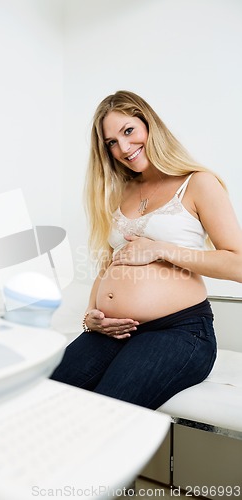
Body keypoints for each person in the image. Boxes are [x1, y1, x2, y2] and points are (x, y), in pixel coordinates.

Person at [50, 90, 242, 410]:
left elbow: (237, 265)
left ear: (149, 125)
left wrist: (160, 249)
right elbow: (109, 262)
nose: (123, 148)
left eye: (128, 131)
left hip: (178, 332)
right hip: (112, 332)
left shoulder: (197, 183)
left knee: (103, 410)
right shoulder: (121, 191)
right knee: (45, 395)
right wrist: (91, 315)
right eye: (111, 142)